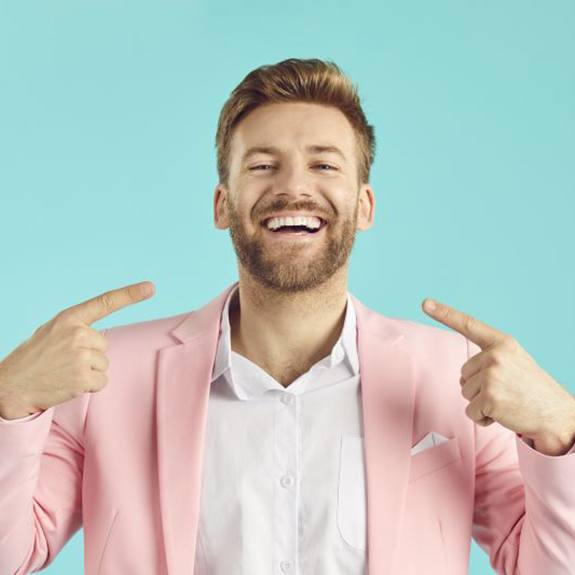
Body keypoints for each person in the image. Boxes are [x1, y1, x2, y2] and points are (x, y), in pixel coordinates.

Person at [0, 58, 574, 575]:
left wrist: (561, 432)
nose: (294, 187)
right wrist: (7, 399)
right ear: (223, 204)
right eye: (262, 165)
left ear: (364, 205)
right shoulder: (106, 376)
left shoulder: (456, 375)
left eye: (324, 165)